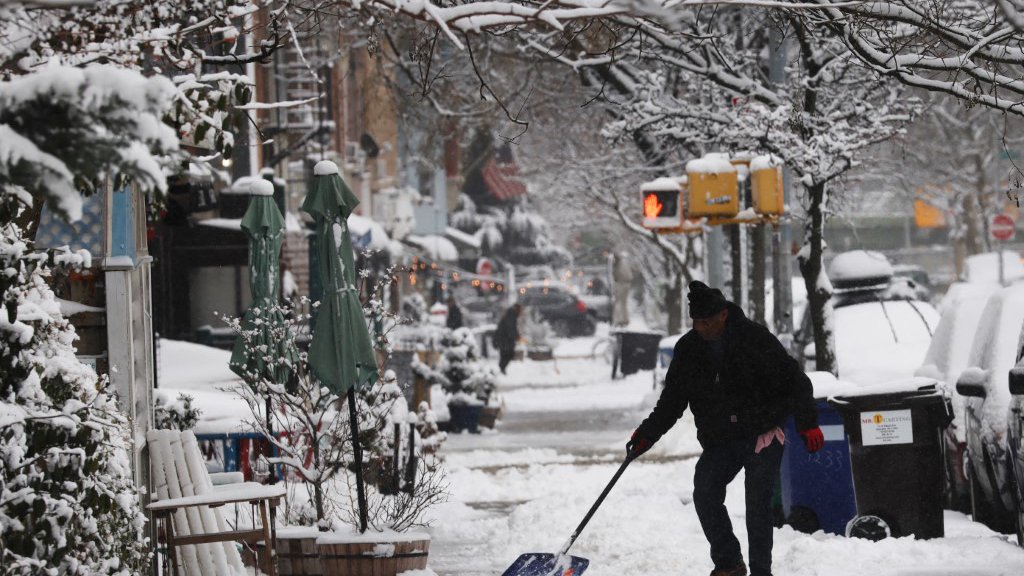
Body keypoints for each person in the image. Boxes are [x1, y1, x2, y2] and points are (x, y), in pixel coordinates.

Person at [627, 281, 822, 576]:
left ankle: (761, 571)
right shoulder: (689, 349)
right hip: (721, 438)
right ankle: (729, 563)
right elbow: (672, 400)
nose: (701, 328)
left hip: (762, 432)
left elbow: (796, 381)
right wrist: (647, 435)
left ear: (723, 315)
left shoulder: (754, 338)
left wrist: (808, 424)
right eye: (696, 322)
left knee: (757, 504)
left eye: (707, 321)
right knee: (705, 491)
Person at [493, 303, 522, 374]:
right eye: (520, 310)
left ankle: (502, 368)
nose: (521, 312)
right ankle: (502, 368)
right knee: (508, 354)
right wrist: (516, 336)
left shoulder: (510, 315)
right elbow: (511, 328)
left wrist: (516, 336)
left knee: (506, 354)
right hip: (505, 340)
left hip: (504, 339)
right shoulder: (511, 316)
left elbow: (512, 328)